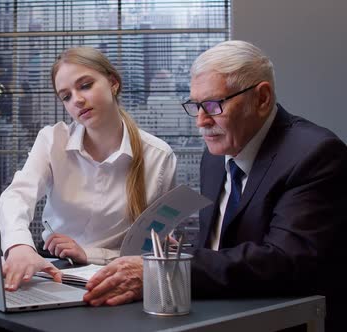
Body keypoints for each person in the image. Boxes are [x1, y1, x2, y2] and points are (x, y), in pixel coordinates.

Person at [83, 40, 347, 331]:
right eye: (196, 106)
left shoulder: (314, 154)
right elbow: (224, 248)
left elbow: (285, 261)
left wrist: (173, 267)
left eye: (213, 105)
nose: (201, 121)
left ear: (262, 98)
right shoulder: (215, 157)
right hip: (218, 314)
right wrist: (174, 254)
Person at [0, 47, 177, 291]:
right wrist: (18, 246)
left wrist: (89, 253)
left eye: (85, 85)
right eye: (66, 96)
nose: (77, 100)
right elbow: (16, 196)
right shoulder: (53, 140)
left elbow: (153, 249)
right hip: (54, 270)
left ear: (113, 82)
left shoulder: (159, 156)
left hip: (115, 278)